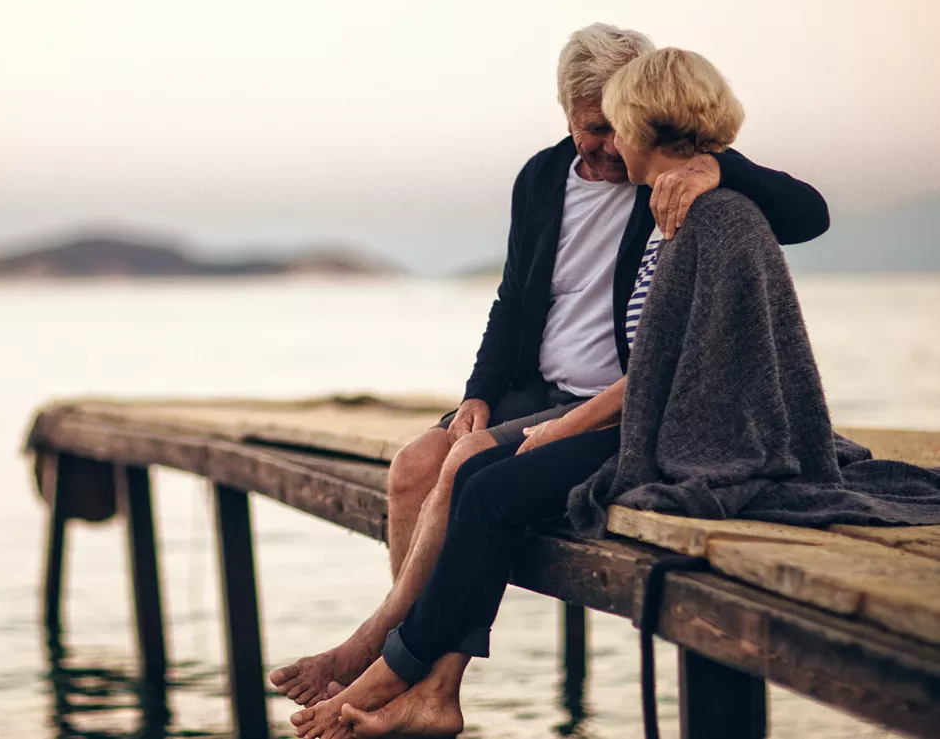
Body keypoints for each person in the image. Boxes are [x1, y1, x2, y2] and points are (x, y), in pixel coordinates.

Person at [289, 48, 940, 739]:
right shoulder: (573, 185)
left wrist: (564, 430)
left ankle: (394, 672)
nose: (610, 145)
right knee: (430, 463)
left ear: (646, 124)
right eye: (593, 127)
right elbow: (528, 303)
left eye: (619, 127)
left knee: (478, 480)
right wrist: (488, 394)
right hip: (619, 411)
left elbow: (673, 360)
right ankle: (407, 675)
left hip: (660, 431)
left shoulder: (702, 208)